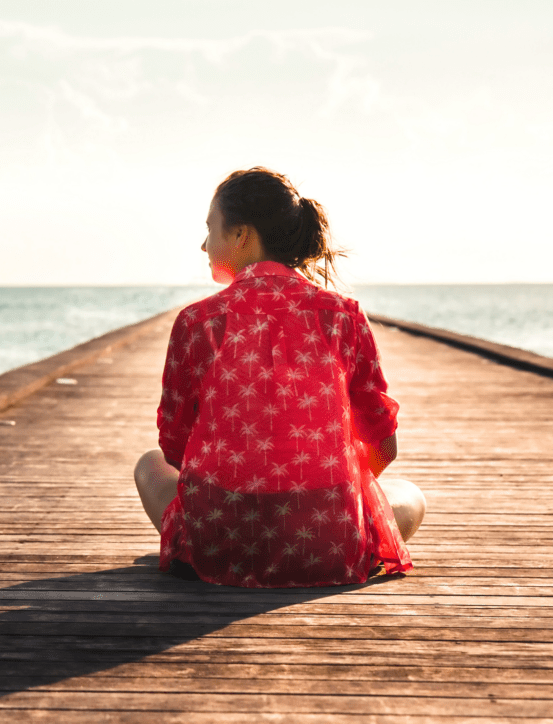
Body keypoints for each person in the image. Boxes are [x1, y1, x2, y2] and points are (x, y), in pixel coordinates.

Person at [134, 167, 426, 587]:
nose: (203, 244)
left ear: (241, 235)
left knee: (149, 466)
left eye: (210, 230)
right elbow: (384, 444)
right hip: (324, 545)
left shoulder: (198, 321)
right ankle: (337, 520)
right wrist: (319, 491)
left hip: (222, 544)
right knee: (408, 495)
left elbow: (175, 450)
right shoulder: (343, 315)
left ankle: (203, 543)